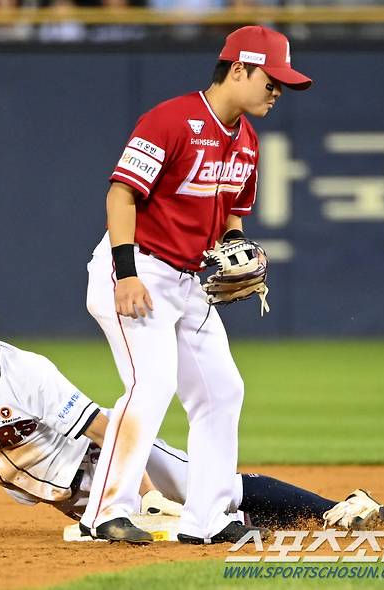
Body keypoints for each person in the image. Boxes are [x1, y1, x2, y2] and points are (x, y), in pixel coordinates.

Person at [0, 279, 384, 540]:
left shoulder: (26, 369)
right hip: (73, 490)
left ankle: (337, 511)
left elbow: (110, 424)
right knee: (181, 511)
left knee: (208, 490)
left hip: (112, 464)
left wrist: (136, 491)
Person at [79, 25, 313, 545]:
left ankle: (208, 518)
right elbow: (122, 196)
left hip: (188, 282)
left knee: (223, 390)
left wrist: (237, 246)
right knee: (153, 383)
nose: (277, 91)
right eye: (271, 79)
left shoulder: (246, 140)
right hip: (138, 268)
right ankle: (104, 511)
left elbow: (231, 214)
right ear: (238, 69)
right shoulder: (172, 119)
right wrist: (126, 271)